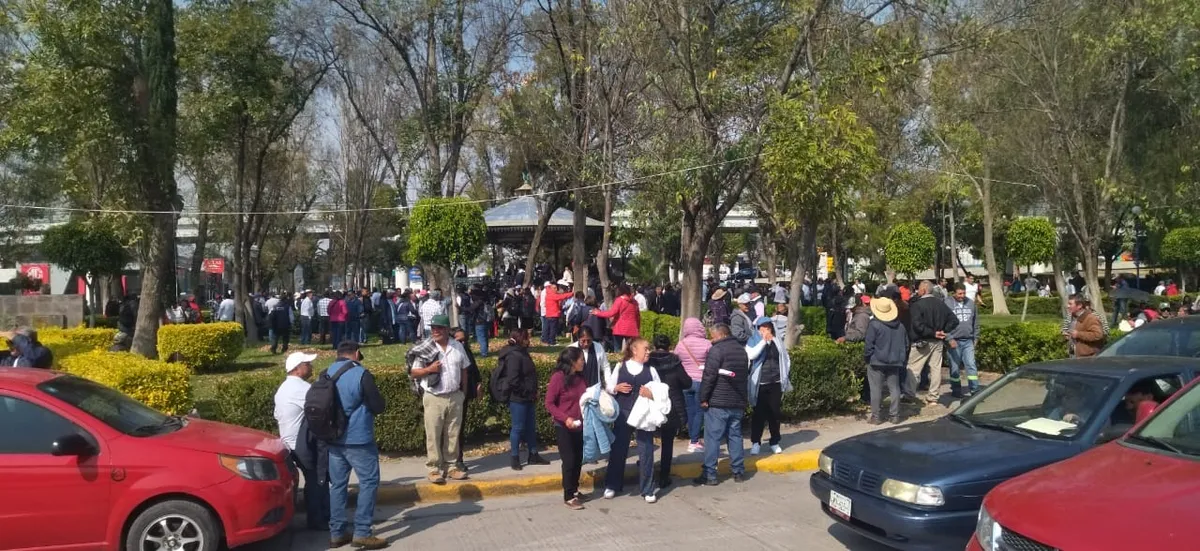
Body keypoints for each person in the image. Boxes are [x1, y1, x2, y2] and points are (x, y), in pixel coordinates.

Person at [324, 341, 387, 549]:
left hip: (334, 439)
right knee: (368, 482)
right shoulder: (361, 374)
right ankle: (362, 532)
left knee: (338, 485)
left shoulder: (326, 373)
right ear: (357, 353)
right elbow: (378, 406)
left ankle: (337, 533)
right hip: (359, 439)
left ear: (338, 354)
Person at [407, 314, 470, 483]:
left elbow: (464, 369)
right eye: (433, 328)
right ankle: (434, 469)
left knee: (453, 434)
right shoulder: (426, 348)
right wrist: (429, 370)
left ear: (447, 329)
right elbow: (413, 373)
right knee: (433, 435)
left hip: (455, 396)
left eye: (439, 328)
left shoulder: (457, 346)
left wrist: (463, 393)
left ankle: (451, 467)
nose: (435, 331)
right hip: (434, 397)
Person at [273, 352, 328, 531]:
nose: (311, 366)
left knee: (312, 478)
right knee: (317, 479)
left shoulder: (283, 388)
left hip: (288, 442)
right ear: (297, 369)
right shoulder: (301, 388)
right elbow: (321, 407)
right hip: (301, 443)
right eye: (307, 364)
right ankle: (318, 519)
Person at [602, 338, 661, 502]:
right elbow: (609, 386)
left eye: (649, 349)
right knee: (618, 449)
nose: (648, 351)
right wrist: (616, 388)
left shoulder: (651, 370)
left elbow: (661, 391)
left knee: (646, 450)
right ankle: (612, 485)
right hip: (624, 412)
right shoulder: (621, 366)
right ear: (635, 350)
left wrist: (651, 394)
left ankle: (648, 489)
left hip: (644, 415)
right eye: (646, 349)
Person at [694, 324, 749, 487]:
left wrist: (703, 397)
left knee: (713, 439)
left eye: (713, 336)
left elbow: (709, 376)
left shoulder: (716, 350)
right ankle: (738, 471)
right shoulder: (741, 350)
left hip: (718, 402)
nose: (711, 340)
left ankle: (710, 474)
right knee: (735, 436)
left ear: (721, 335)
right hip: (737, 401)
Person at [493, 328, 549, 470]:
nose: (529, 340)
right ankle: (515, 457)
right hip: (518, 398)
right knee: (518, 428)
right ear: (520, 339)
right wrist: (527, 391)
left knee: (530, 427)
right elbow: (513, 380)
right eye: (526, 338)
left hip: (528, 396)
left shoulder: (522, 352)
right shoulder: (514, 356)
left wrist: (533, 392)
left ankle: (533, 454)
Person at [545, 347, 589, 510]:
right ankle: (568, 495)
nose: (583, 362)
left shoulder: (580, 377)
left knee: (578, 459)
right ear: (572, 361)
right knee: (569, 460)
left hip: (580, 425)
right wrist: (565, 418)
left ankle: (575, 489)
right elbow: (549, 403)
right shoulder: (558, 378)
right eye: (581, 359)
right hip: (563, 426)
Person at [905, 280, 959, 403]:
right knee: (935, 369)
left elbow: (917, 325)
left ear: (923, 290)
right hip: (938, 341)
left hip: (922, 341)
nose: (917, 291)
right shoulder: (940, 303)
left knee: (913, 368)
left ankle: (909, 395)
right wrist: (943, 331)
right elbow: (954, 320)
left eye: (919, 288)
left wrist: (933, 332)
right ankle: (933, 396)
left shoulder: (917, 305)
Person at [647, 334, 690, 489]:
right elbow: (687, 382)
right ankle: (664, 477)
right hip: (671, 407)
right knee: (667, 443)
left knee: (647, 442)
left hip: (650, 406)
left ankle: (647, 474)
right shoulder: (675, 362)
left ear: (654, 345)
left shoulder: (647, 362)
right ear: (669, 346)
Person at [745, 317, 792, 455]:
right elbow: (751, 355)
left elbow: (785, 358)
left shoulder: (777, 341)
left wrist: (784, 375)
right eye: (762, 327)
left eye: (768, 327)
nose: (765, 330)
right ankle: (756, 442)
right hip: (760, 383)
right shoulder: (752, 340)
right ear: (758, 329)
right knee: (759, 414)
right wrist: (763, 342)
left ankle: (774, 441)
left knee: (775, 413)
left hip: (775, 382)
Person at [863, 295, 908, 425]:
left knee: (876, 389)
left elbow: (868, 345)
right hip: (895, 361)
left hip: (877, 361)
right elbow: (906, 345)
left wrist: (868, 357)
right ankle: (894, 415)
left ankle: (876, 417)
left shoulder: (874, 325)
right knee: (894, 388)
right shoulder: (900, 326)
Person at [675, 317, 711, 453]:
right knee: (699, 411)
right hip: (701, 381)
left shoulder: (681, 344)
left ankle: (692, 438)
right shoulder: (707, 344)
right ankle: (694, 441)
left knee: (690, 411)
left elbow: (676, 360)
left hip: (685, 382)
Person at [452, 327, 483, 473]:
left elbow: (473, 369)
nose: (463, 343)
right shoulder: (451, 353)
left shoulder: (466, 351)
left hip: (463, 395)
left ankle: (458, 459)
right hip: (451, 394)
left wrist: (478, 383)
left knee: (459, 428)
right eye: (459, 341)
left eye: (465, 340)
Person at [945, 284, 981, 398]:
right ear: (954, 293)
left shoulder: (971, 303)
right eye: (959, 293)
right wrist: (949, 338)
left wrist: (976, 337)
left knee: (971, 365)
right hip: (954, 341)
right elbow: (942, 323)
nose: (962, 296)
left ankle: (975, 390)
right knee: (955, 368)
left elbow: (975, 322)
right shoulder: (946, 303)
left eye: (964, 293)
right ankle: (956, 390)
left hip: (968, 340)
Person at [593, 283, 641, 353]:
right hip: (632, 329)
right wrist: (638, 328)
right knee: (630, 351)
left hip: (619, 328)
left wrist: (598, 313)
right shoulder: (634, 302)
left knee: (617, 350)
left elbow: (611, 313)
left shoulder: (619, 300)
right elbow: (638, 317)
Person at [539, 281, 573, 345]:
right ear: (551, 288)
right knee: (553, 329)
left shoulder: (548, 294)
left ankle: (545, 340)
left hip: (549, 314)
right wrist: (571, 294)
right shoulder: (552, 295)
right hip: (553, 314)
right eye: (554, 288)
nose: (556, 289)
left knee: (547, 328)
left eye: (556, 288)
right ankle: (552, 341)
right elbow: (562, 297)